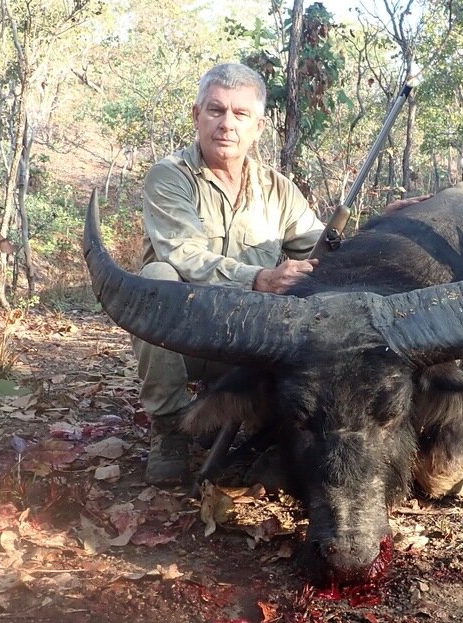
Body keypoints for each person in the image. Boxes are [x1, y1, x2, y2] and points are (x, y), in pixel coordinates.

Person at [134, 62, 324, 485]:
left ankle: (253, 421)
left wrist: (381, 225)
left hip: (249, 343)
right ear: (196, 115)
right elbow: (183, 253)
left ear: (258, 126)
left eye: (240, 115)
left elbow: (319, 251)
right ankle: (169, 431)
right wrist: (257, 278)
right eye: (216, 110)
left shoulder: (281, 191)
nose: (226, 124)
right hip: (184, 336)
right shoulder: (169, 176)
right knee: (157, 276)